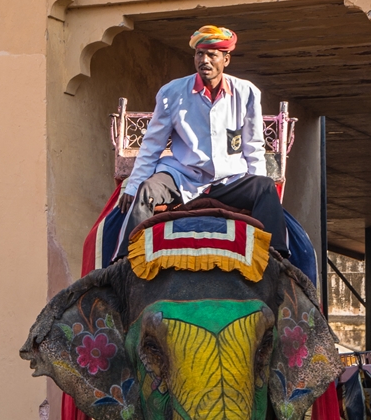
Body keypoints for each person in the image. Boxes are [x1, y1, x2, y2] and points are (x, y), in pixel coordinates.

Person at [114, 25, 289, 259]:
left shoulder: (247, 92)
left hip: (230, 180)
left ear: (226, 59)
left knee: (265, 188)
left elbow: (253, 146)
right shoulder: (171, 92)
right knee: (146, 191)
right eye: (199, 54)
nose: (204, 60)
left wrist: (257, 182)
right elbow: (152, 145)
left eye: (212, 54)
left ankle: (277, 258)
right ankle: (125, 260)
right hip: (182, 176)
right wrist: (134, 185)